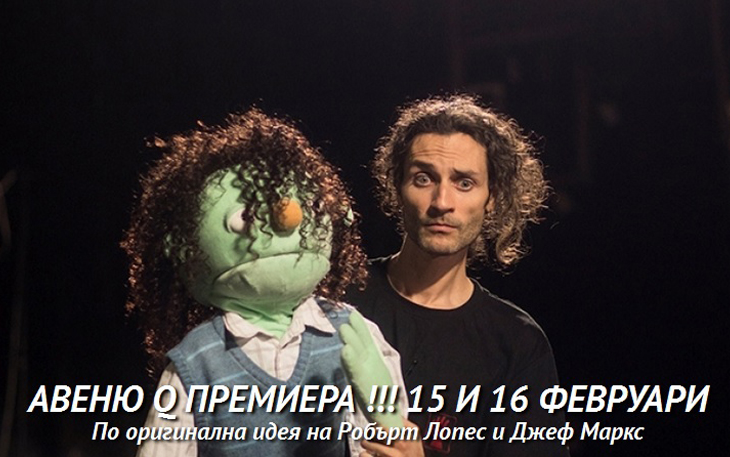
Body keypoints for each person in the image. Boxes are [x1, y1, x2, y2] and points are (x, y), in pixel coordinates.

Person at [122, 109, 406, 457]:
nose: (288, 219)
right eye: (246, 216)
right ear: (185, 246)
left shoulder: (352, 332)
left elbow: (389, 444)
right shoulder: (196, 363)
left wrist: (386, 417)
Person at [346, 95, 569, 457]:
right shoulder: (336, 296)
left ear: (491, 197)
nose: (441, 202)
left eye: (464, 183)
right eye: (423, 178)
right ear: (397, 186)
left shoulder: (515, 343)